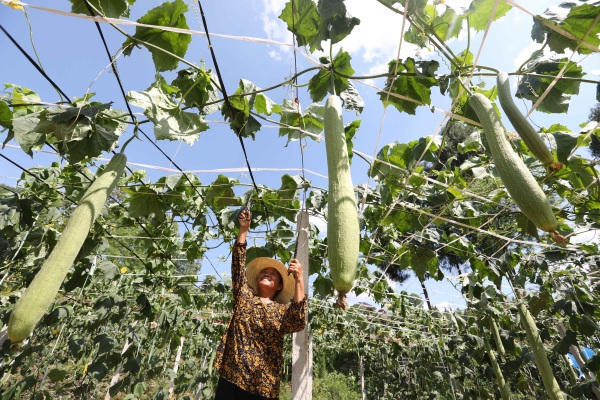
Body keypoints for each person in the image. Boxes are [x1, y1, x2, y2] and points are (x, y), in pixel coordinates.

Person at [213, 207, 307, 400]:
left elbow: (298, 319)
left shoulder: (281, 312)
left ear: (280, 285)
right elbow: (238, 264)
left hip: (263, 385)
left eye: (273, 274)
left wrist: (299, 279)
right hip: (232, 376)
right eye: (264, 272)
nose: (267, 274)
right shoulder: (244, 297)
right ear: (255, 280)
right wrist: (243, 230)